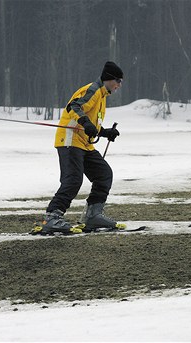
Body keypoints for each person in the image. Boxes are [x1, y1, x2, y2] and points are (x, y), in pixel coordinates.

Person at [36, 61, 124, 235]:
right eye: (118, 81)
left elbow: (91, 123)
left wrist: (105, 132)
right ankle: (52, 217)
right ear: (110, 79)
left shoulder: (102, 96)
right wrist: (85, 122)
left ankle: (93, 215)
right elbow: (74, 107)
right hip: (70, 141)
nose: (119, 85)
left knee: (104, 174)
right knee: (73, 180)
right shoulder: (92, 90)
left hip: (84, 143)